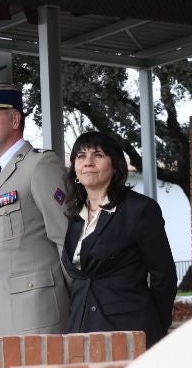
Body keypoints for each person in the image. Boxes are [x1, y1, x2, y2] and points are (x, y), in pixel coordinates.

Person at [61, 131, 177, 347]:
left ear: (115, 166)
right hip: (80, 331)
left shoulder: (139, 209)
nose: (87, 162)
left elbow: (164, 276)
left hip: (127, 331)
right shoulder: (75, 216)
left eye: (97, 155)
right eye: (80, 156)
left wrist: (155, 326)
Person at [0, 83, 70, 336]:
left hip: (39, 312)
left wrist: (79, 302)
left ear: (15, 119)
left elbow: (65, 239)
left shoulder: (40, 165)